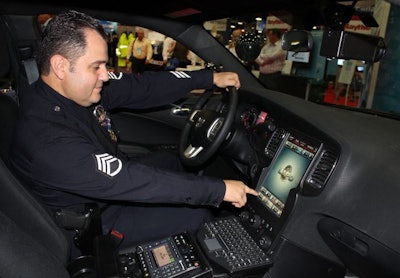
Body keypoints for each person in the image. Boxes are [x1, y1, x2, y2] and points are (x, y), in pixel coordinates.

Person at [9, 10, 258, 258]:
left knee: (173, 161)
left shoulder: (72, 90)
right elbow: (127, 179)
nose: (105, 75)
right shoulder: (46, 138)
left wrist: (208, 78)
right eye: (96, 67)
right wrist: (218, 190)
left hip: (102, 194)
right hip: (92, 225)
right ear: (61, 66)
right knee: (198, 215)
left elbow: (142, 86)